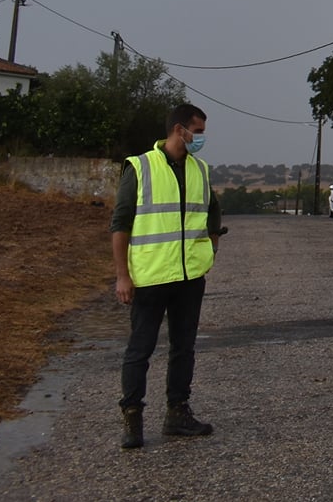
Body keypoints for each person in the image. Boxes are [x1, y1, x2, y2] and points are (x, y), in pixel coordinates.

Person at [111, 102, 223, 450]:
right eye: (198, 132)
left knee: (183, 348)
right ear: (179, 130)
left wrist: (210, 251)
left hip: (189, 277)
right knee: (140, 349)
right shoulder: (141, 166)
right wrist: (122, 276)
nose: (201, 138)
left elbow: (213, 213)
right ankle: (132, 418)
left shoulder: (199, 169)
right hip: (150, 278)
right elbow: (120, 225)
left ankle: (177, 413)